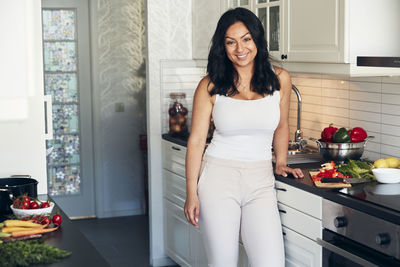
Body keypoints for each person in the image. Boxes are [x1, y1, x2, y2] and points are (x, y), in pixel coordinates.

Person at [184, 7, 304, 267]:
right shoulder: (210, 85)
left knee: (270, 263)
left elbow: (282, 125)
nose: (240, 48)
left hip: (260, 181)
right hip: (218, 179)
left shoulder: (280, 79)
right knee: (222, 263)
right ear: (222, 47)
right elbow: (195, 142)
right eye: (231, 41)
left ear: (258, 40)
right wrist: (191, 193)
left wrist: (281, 161)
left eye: (246, 38)